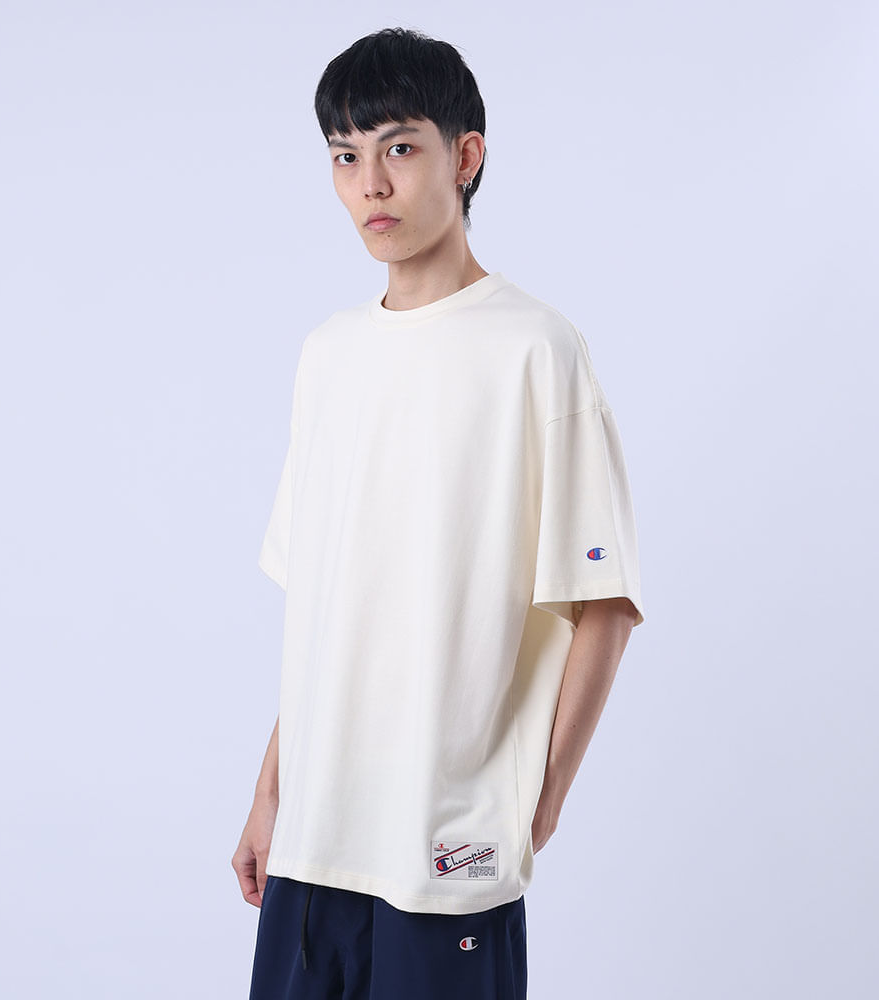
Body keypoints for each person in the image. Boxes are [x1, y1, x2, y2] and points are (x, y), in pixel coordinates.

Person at [232, 26, 645, 1000]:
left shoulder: (536, 350)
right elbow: (329, 613)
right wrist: (269, 791)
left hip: (446, 854)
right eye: (345, 156)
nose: (370, 184)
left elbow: (603, 602)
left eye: (399, 148)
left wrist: (536, 805)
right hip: (314, 847)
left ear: (466, 156)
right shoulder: (328, 356)